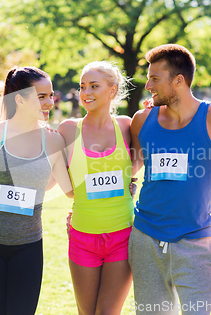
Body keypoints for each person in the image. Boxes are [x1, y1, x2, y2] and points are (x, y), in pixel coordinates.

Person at [128, 43, 211, 315]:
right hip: (145, 240)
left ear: (178, 80)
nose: (148, 84)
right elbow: (131, 169)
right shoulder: (141, 120)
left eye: (155, 78)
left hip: (195, 243)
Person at [0, 66, 73, 315]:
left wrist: (120, 184)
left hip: (28, 245)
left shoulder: (53, 140)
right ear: (19, 99)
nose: (50, 102)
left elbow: (70, 190)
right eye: (41, 96)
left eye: (51, 95)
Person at [57, 61, 135, 315]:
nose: (86, 92)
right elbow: (68, 188)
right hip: (83, 236)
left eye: (94, 86)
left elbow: (135, 168)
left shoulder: (127, 126)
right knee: (86, 312)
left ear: (112, 91)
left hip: (122, 236)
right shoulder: (68, 130)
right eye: (82, 87)